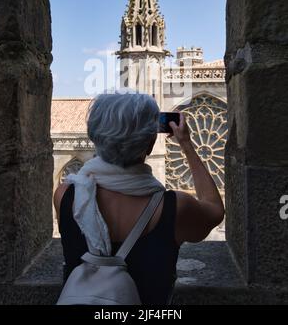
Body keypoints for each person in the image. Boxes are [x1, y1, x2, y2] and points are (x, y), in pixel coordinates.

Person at [54, 91, 224, 305]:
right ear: (151, 144)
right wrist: (187, 145)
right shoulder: (175, 208)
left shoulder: (65, 196)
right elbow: (215, 209)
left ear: (95, 138)